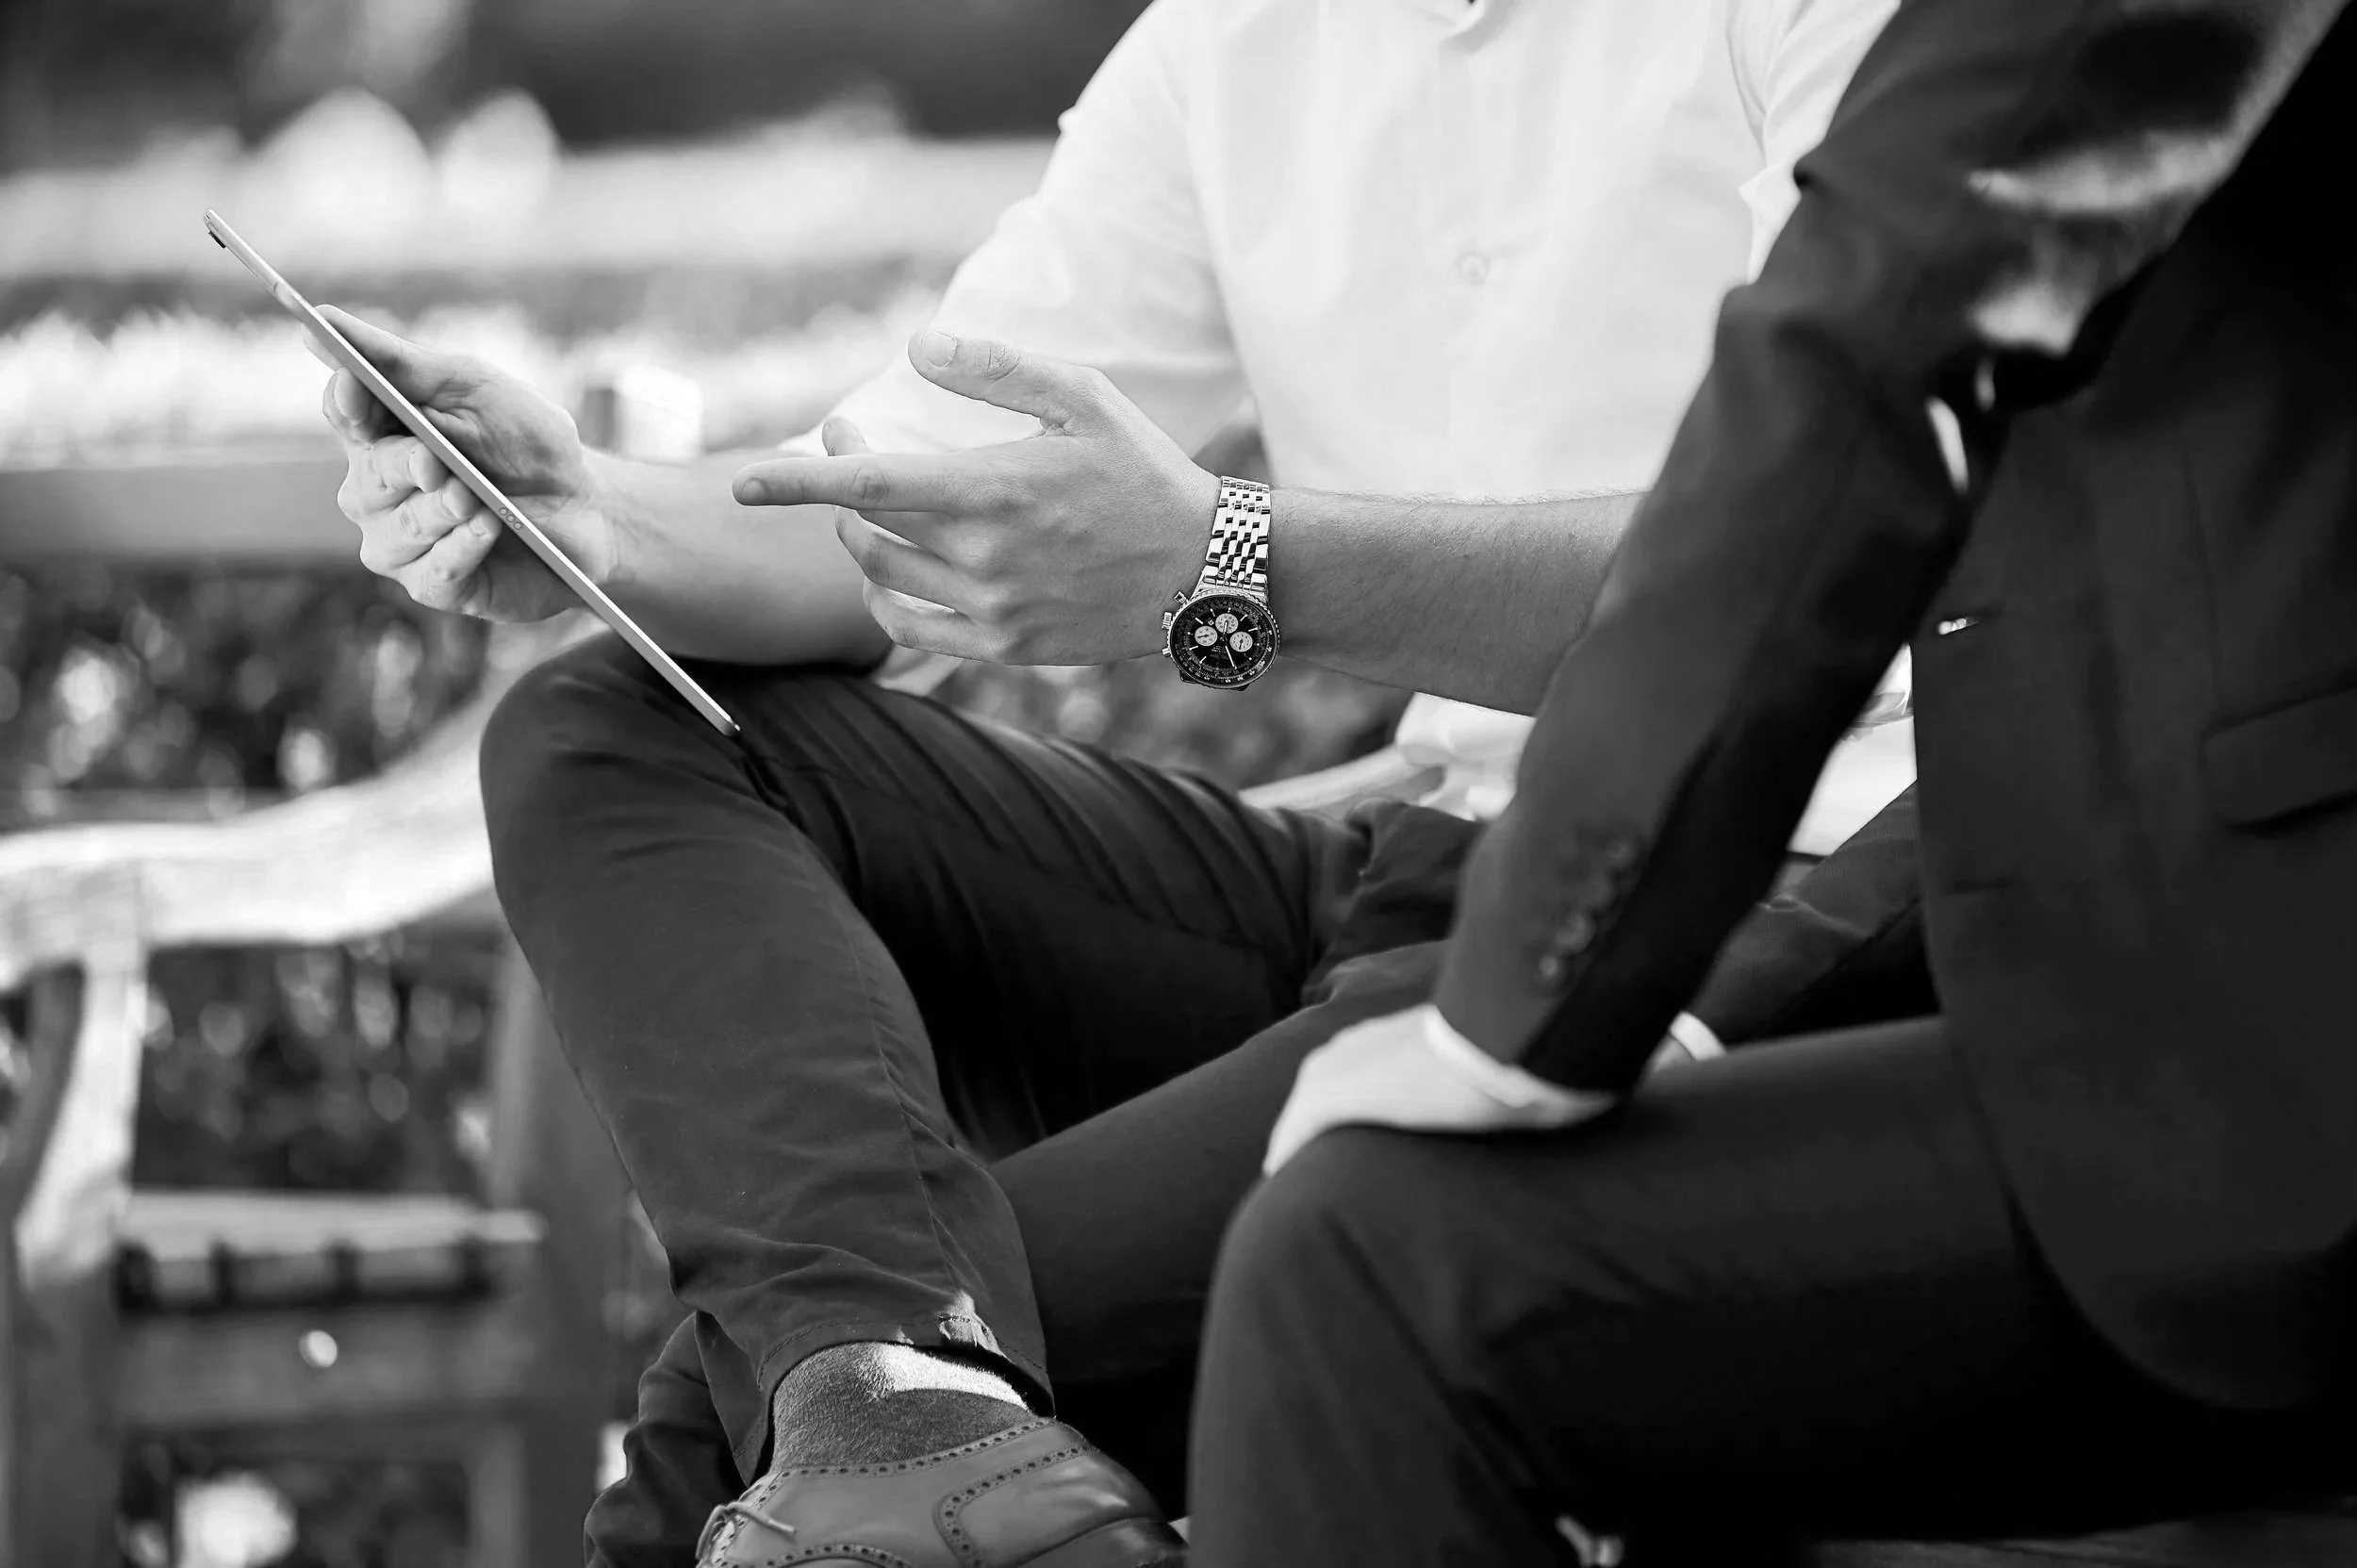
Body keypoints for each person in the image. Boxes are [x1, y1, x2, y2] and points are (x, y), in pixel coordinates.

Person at [315, 0, 1913, 1560]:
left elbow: (1800, 563)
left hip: (1742, 904)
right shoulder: (1236, 40)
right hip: (1405, 873)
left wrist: (1225, 560)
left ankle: (895, 1409)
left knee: (718, 1443)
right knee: (606, 729)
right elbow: (903, 502)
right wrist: (590, 516)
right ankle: (904, 1397)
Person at [1173, 0, 2357, 1562]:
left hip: (2260, 1051)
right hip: (2065, 958)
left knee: (1371, 1263)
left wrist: (1529, 1009)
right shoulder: (1226, 49)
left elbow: (1876, 332)